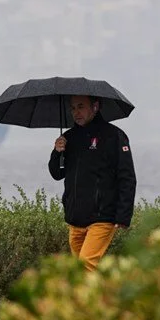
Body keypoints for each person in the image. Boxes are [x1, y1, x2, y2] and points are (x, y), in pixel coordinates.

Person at [48, 94, 137, 271]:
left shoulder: (115, 136)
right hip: (74, 218)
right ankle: (104, 297)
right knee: (78, 272)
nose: (76, 112)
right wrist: (57, 152)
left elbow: (127, 177)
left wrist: (123, 215)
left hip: (102, 217)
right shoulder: (68, 138)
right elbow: (57, 174)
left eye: (81, 106)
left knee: (86, 266)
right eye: (73, 108)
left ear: (95, 107)